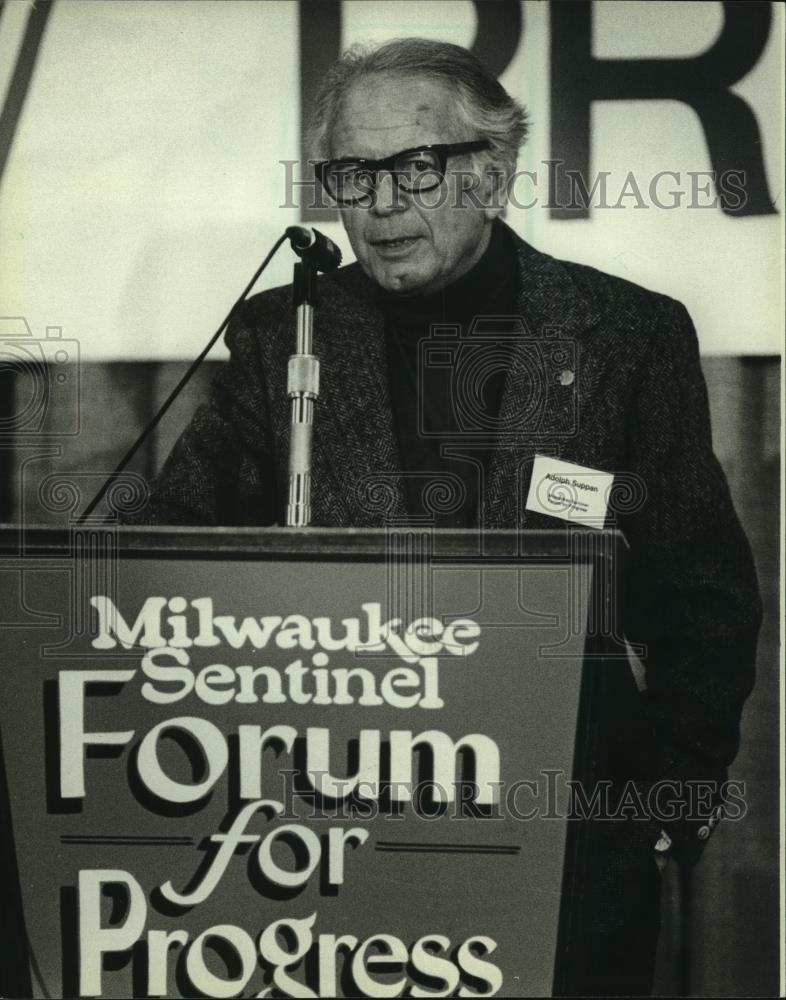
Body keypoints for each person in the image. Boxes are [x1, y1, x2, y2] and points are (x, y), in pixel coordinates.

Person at [129, 38, 761, 996]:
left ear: (495, 172)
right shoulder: (281, 334)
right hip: (329, 844)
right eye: (352, 173)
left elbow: (704, 601)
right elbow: (167, 554)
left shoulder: (630, 335)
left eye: (415, 169)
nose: (380, 207)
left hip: (568, 841)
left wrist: (667, 806)